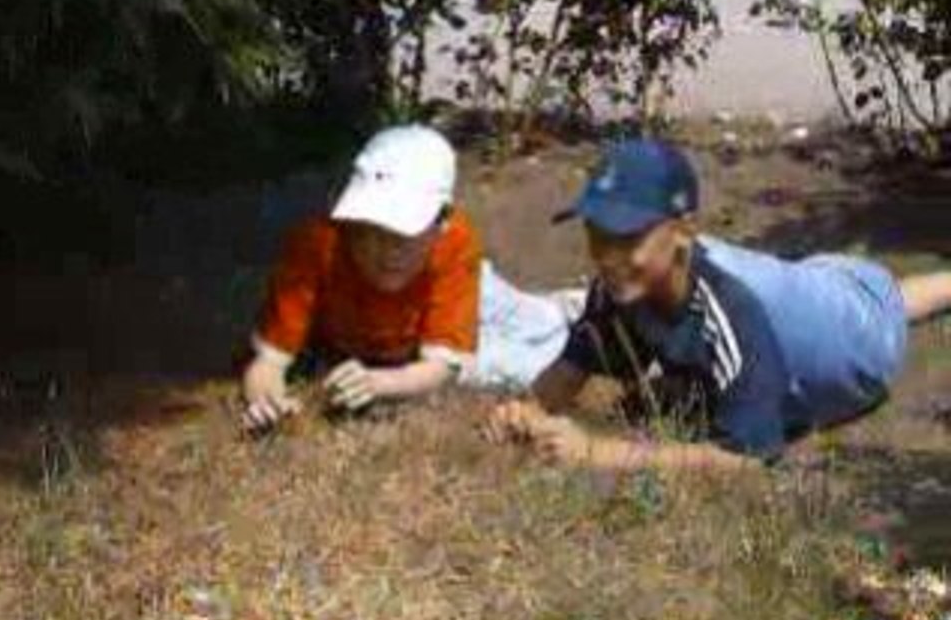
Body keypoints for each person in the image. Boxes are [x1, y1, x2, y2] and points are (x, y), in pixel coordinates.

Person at [482, 138, 951, 471]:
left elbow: (747, 460)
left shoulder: (727, 309)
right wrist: (524, 413)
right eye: (597, 235)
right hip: (803, 289)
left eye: (627, 238)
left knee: (891, 304)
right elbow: (568, 371)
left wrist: (598, 453)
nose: (607, 256)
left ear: (684, 230)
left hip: (863, 338)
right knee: (659, 397)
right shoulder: (621, 285)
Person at [240, 124, 581, 430]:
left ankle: (571, 307)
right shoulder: (317, 247)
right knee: (514, 366)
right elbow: (268, 362)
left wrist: (379, 384)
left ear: (441, 222)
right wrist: (264, 403)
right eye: (372, 231)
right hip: (413, 334)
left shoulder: (455, 241)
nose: (389, 251)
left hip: (457, 284)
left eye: (405, 234)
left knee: (541, 323)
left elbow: (440, 367)